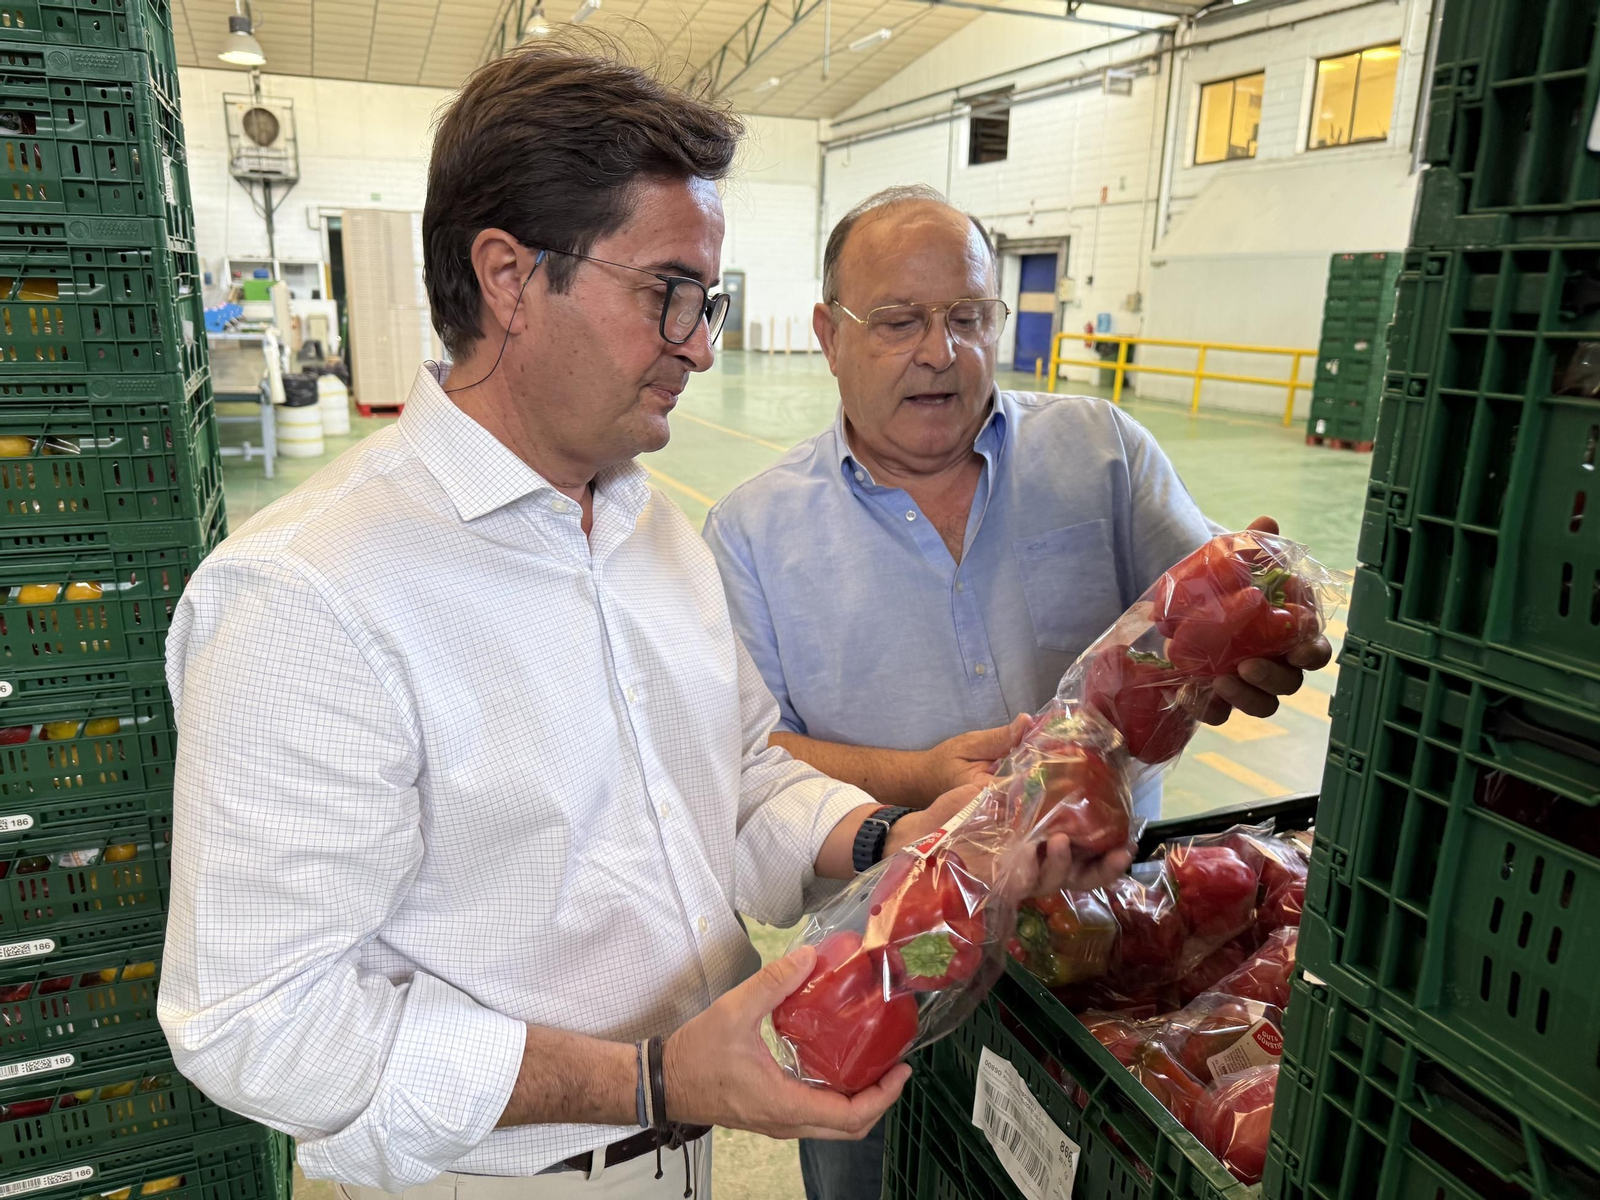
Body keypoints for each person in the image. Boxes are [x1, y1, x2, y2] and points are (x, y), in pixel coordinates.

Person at [157, 48, 1119, 1200]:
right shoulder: (308, 594)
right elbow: (259, 1023)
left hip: (683, 1149)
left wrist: (886, 840)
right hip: (494, 1176)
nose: (701, 343)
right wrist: (651, 1081)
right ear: (508, 278)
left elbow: (739, 776)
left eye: (705, 301)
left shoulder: (649, 532)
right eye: (666, 293)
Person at [701, 184, 1332, 1200]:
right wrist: (914, 779)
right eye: (899, 322)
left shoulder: (1101, 455)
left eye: (968, 319)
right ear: (827, 334)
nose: (940, 352)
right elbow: (739, 756)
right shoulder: (751, 533)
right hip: (892, 973)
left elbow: (1204, 613)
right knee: (875, 1177)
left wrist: (1249, 631)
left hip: (1098, 956)